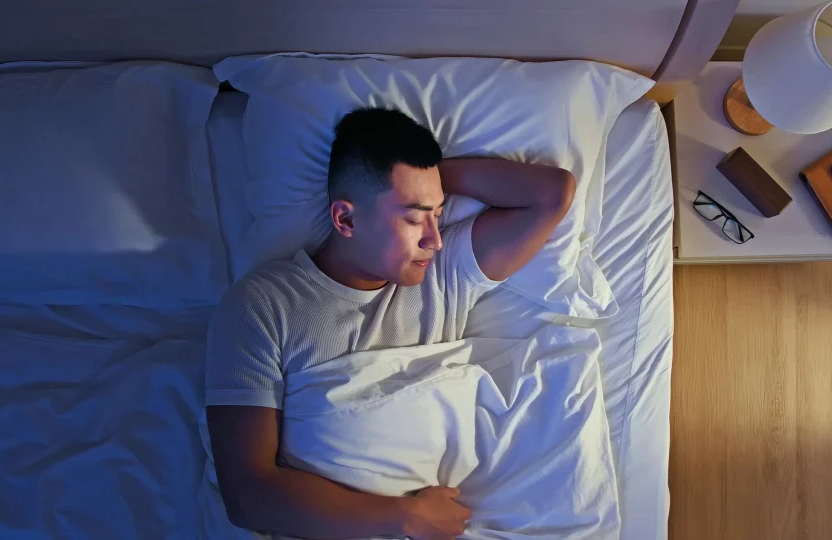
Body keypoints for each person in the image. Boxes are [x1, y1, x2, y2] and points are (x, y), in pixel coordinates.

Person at [205, 107, 575, 540]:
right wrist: (405, 517)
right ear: (345, 219)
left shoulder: (443, 273)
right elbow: (247, 494)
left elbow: (551, 193)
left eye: (439, 214)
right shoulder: (263, 305)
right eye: (415, 218)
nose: (433, 239)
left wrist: (430, 179)